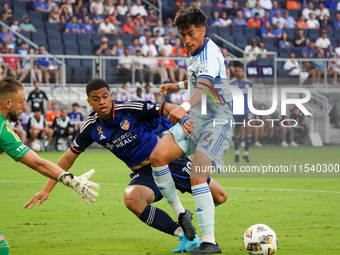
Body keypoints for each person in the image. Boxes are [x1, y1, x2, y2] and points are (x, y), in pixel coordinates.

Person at [24, 78, 228, 254]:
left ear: (110, 95)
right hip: (144, 173)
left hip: (169, 162)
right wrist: (46, 189)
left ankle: (195, 214)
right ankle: (185, 234)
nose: (102, 102)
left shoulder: (129, 109)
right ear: (89, 101)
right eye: (96, 99)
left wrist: (184, 119)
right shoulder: (91, 127)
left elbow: (164, 107)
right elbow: (67, 158)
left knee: (220, 196)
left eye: (105, 96)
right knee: (132, 198)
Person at [150, 6, 233, 254]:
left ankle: (209, 242)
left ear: (203, 30)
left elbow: (206, 85)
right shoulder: (196, 53)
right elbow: (197, 78)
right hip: (196, 118)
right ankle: (182, 216)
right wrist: (177, 85)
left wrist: (183, 106)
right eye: (183, 34)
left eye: (191, 33)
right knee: (157, 157)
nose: (186, 40)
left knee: (197, 175)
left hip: (216, 120)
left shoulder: (210, 53)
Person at [0, 76, 99, 255]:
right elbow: (38, 163)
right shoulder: (2, 130)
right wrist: (71, 181)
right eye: (22, 102)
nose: (25, 107)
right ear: (7, 103)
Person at [230, 66, 252, 163]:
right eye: (237, 71)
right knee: (237, 132)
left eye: (241, 71)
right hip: (236, 111)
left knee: (247, 128)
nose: (239, 73)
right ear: (235, 73)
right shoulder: (231, 84)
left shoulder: (249, 84)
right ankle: (237, 153)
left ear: (243, 73)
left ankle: (246, 154)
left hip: (246, 110)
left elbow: (251, 96)